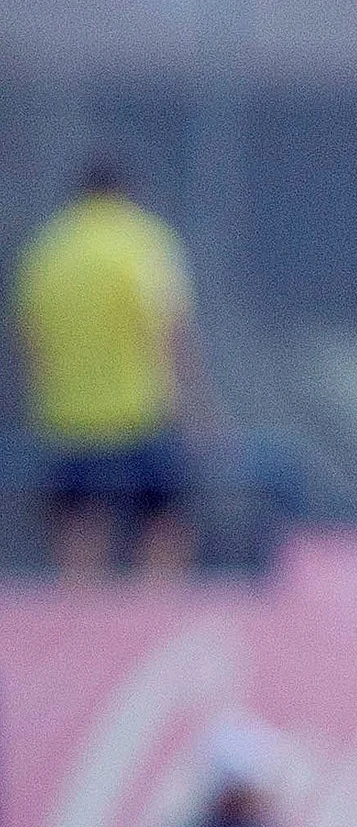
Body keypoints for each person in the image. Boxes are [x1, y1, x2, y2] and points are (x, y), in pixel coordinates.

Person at [13, 154, 209, 581]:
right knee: (163, 527)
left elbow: (29, 338)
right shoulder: (144, 241)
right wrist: (196, 411)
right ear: (127, 193)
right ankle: (155, 623)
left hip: (66, 417)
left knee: (78, 533)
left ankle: (81, 635)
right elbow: (170, 330)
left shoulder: (47, 248)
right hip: (140, 413)